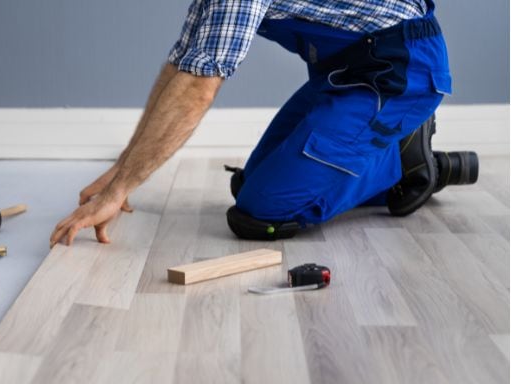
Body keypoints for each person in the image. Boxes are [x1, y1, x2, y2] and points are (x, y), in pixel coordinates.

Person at [50, 0, 477, 247]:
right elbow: (183, 62)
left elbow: (199, 86)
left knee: (262, 212)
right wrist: (122, 170)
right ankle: (390, 146)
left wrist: (120, 189)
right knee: (248, 186)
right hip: (345, 74)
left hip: (398, 75)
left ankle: (405, 161)